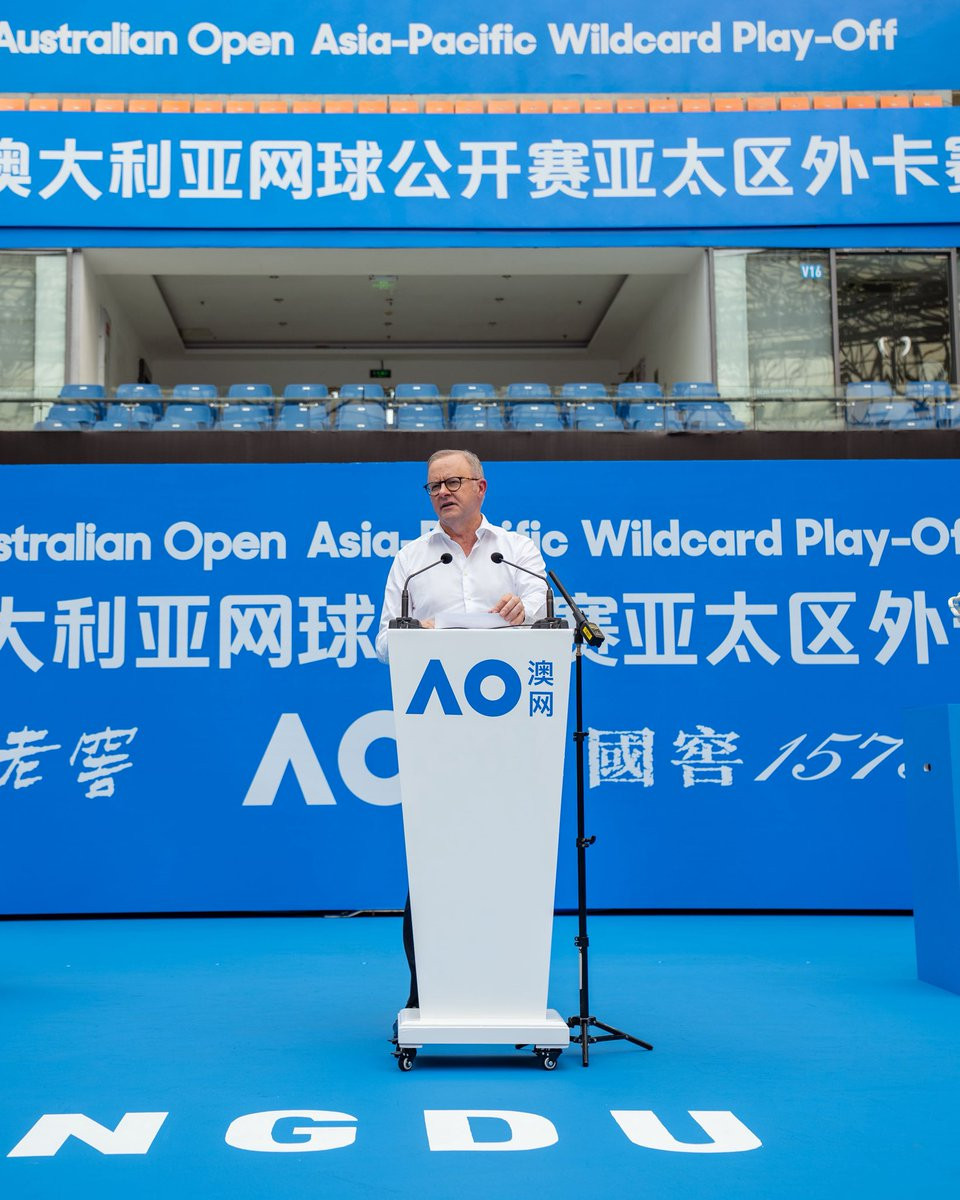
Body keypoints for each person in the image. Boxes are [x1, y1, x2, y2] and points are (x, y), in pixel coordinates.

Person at [375, 448, 549, 1010]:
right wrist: (418, 631)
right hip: (439, 739)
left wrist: (525, 613)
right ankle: (425, 993)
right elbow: (384, 641)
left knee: (507, 859)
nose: (443, 492)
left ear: (481, 487)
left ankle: (510, 990)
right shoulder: (413, 560)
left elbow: (546, 617)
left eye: (453, 481)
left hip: (513, 738)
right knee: (436, 864)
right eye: (434, 486)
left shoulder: (518, 552)